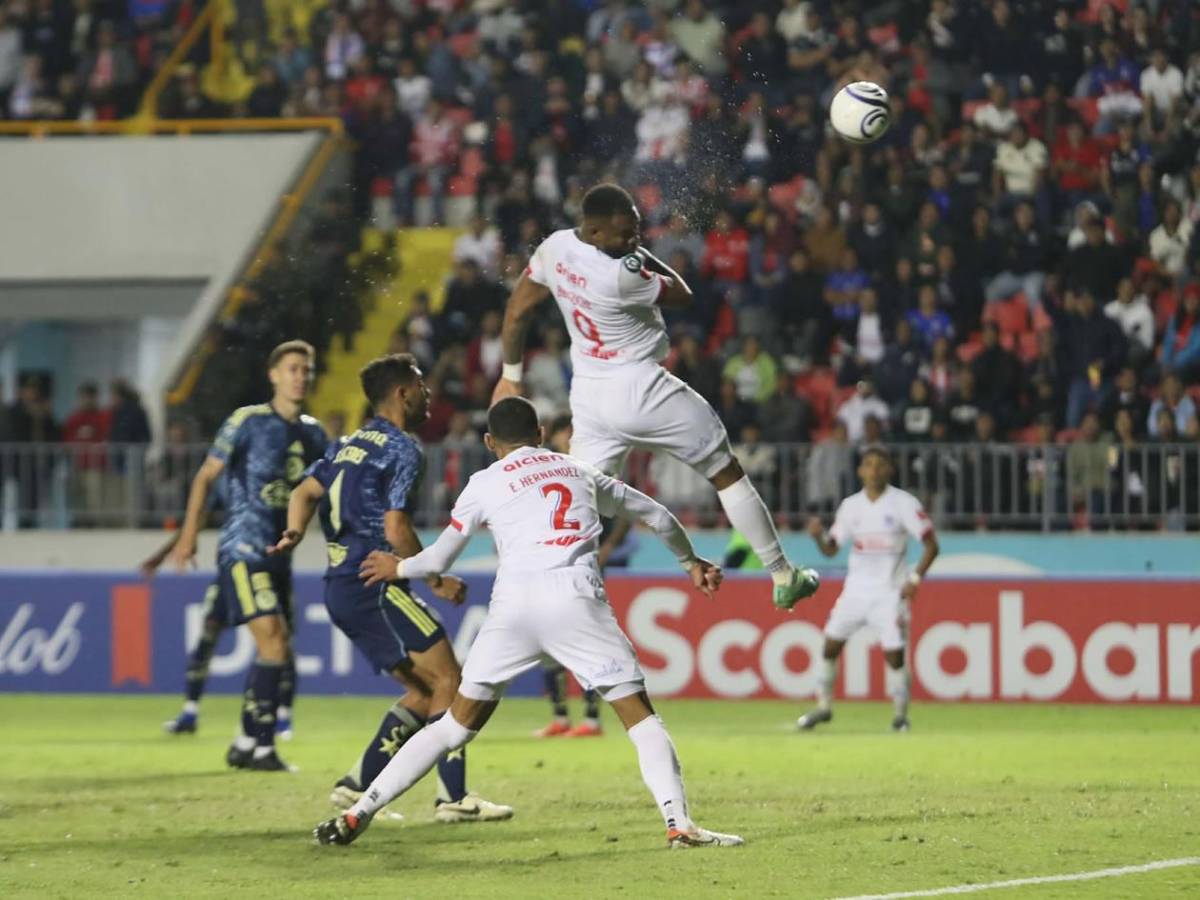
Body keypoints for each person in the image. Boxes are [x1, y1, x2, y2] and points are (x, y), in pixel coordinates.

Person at [314, 397, 741, 849]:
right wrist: (690, 562)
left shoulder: (483, 482)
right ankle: (680, 826)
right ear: (539, 433)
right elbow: (657, 514)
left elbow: (439, 557)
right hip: (573, 599)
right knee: (639, 718)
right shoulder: (577, 471)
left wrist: (397, 569)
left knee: (453, 727)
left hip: (512, 609)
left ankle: (357, 813)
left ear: (488, 441)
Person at [491, 183, 819, 611]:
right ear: (593, 232)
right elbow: (683, 293)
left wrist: (510, 375)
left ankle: (537, 582)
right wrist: (641, 257)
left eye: (637, 230)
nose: (634, 240)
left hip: (590, 396)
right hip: (643, 388)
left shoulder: (554, 249)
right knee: (725, 471)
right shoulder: (622, 274)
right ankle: (783, 575)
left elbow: (517, 311)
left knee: (582, 498)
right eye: (624, 234)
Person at [272, 353, 512, 823]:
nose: (428, 394)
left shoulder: (346, 445)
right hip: (377, 582)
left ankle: (357, 783)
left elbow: (302, 493)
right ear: (403, 394)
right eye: (421, 385)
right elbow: (397, 526)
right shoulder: (402, 448)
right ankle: (453, 798)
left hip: (341, 586)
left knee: (424, 692)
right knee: (451, 680)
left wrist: (295, 532)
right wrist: (437, 579)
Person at [160, 341, 329, 766]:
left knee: (277, 647)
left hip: (279, 558)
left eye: (306, 370)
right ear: (273, 375)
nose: (300, 376)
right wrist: (188, 535)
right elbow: (205, 476)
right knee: (272, 641)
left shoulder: (314, 433)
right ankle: (263, 746)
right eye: (292, 368)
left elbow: (319, 494)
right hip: (242, 548)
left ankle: (244, 743)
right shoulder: (247, 421)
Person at [800, 447, 940, 733]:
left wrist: (914, 581)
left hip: (890, 593)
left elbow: (931, 545)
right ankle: (823, 708)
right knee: (829, 646)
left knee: (894, 655)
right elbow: (831, 550)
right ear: (860, 471)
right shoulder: (851, 506)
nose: (874, 470)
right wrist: (818, 537)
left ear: (889, 470)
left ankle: (900, 716)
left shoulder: (903, 504)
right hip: (854, 592)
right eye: (868, 465)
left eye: (880, 464)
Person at [534, 414, 607, 738]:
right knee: (548, 647)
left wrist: (603, 548)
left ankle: (592, 719)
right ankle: (560, 716)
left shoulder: (591, 468)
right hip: (547, 570)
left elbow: (615, 517)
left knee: (586, 645)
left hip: (580, 571)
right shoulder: (547, 469)